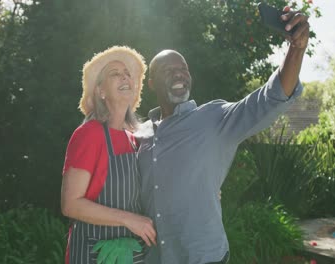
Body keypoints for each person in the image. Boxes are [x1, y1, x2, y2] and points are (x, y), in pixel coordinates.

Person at [135, 7, 310, 264]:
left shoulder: (214, 118)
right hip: (154, 258)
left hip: (203, 257)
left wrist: (297, 49)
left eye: (183, 69)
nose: (179, 74)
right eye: (168, 70)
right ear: (151, 83)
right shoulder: (138, 134)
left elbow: (270, 98)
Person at [61, 46, 157, 264]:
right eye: (115, 73)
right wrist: (128, 220)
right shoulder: (89, 134)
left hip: (133, 255)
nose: (124, 76)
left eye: (127, 74)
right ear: (101, 91)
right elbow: (70, 205)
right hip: (93, 254)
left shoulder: (136, 138)